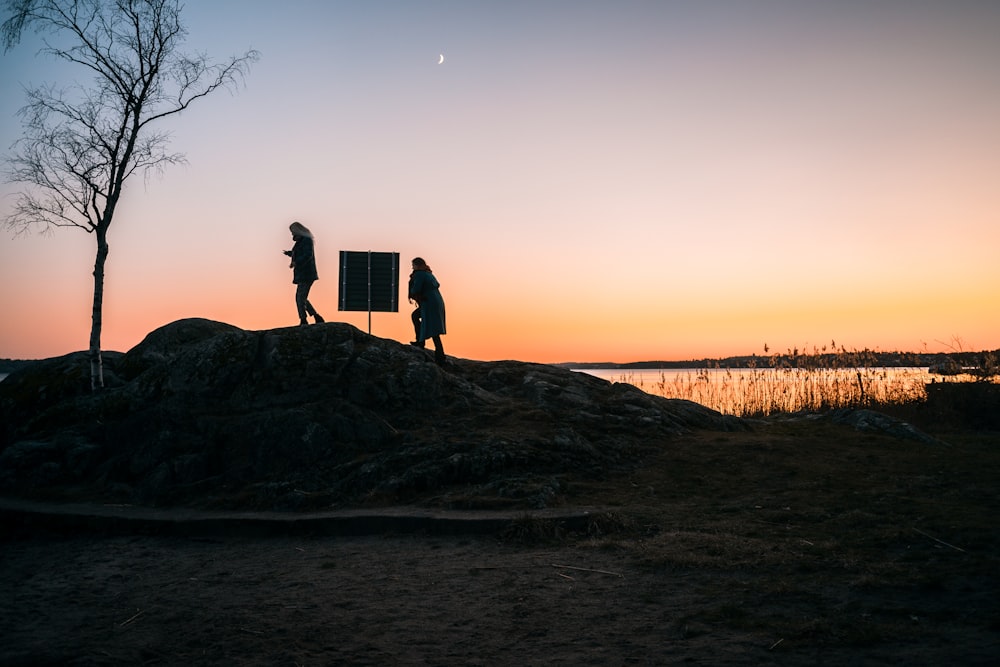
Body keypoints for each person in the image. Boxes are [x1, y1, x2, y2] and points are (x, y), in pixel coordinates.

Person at [283, 221, 324, 326]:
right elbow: (299, 253)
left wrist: (296, 262)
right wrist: (289, 253)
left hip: (306, 273)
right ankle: (316, 317)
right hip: (302, 274)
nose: (292, 234)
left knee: (299, 297)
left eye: (293, 232)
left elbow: (307, 255)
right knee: (302, 298)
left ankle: (303, 320)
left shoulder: (306, 240)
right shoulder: (301, 241)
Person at [408, 257, 446, 365]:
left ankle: (439, 355)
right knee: (433, 327)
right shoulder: (428, 273)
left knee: (433, 329)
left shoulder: (420, 274)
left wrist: (412, 290)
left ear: (417, 265)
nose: (412, 267)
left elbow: (416, 289)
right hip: (435, 301)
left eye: (413, 265)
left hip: (429, 302)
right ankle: (422, 343)